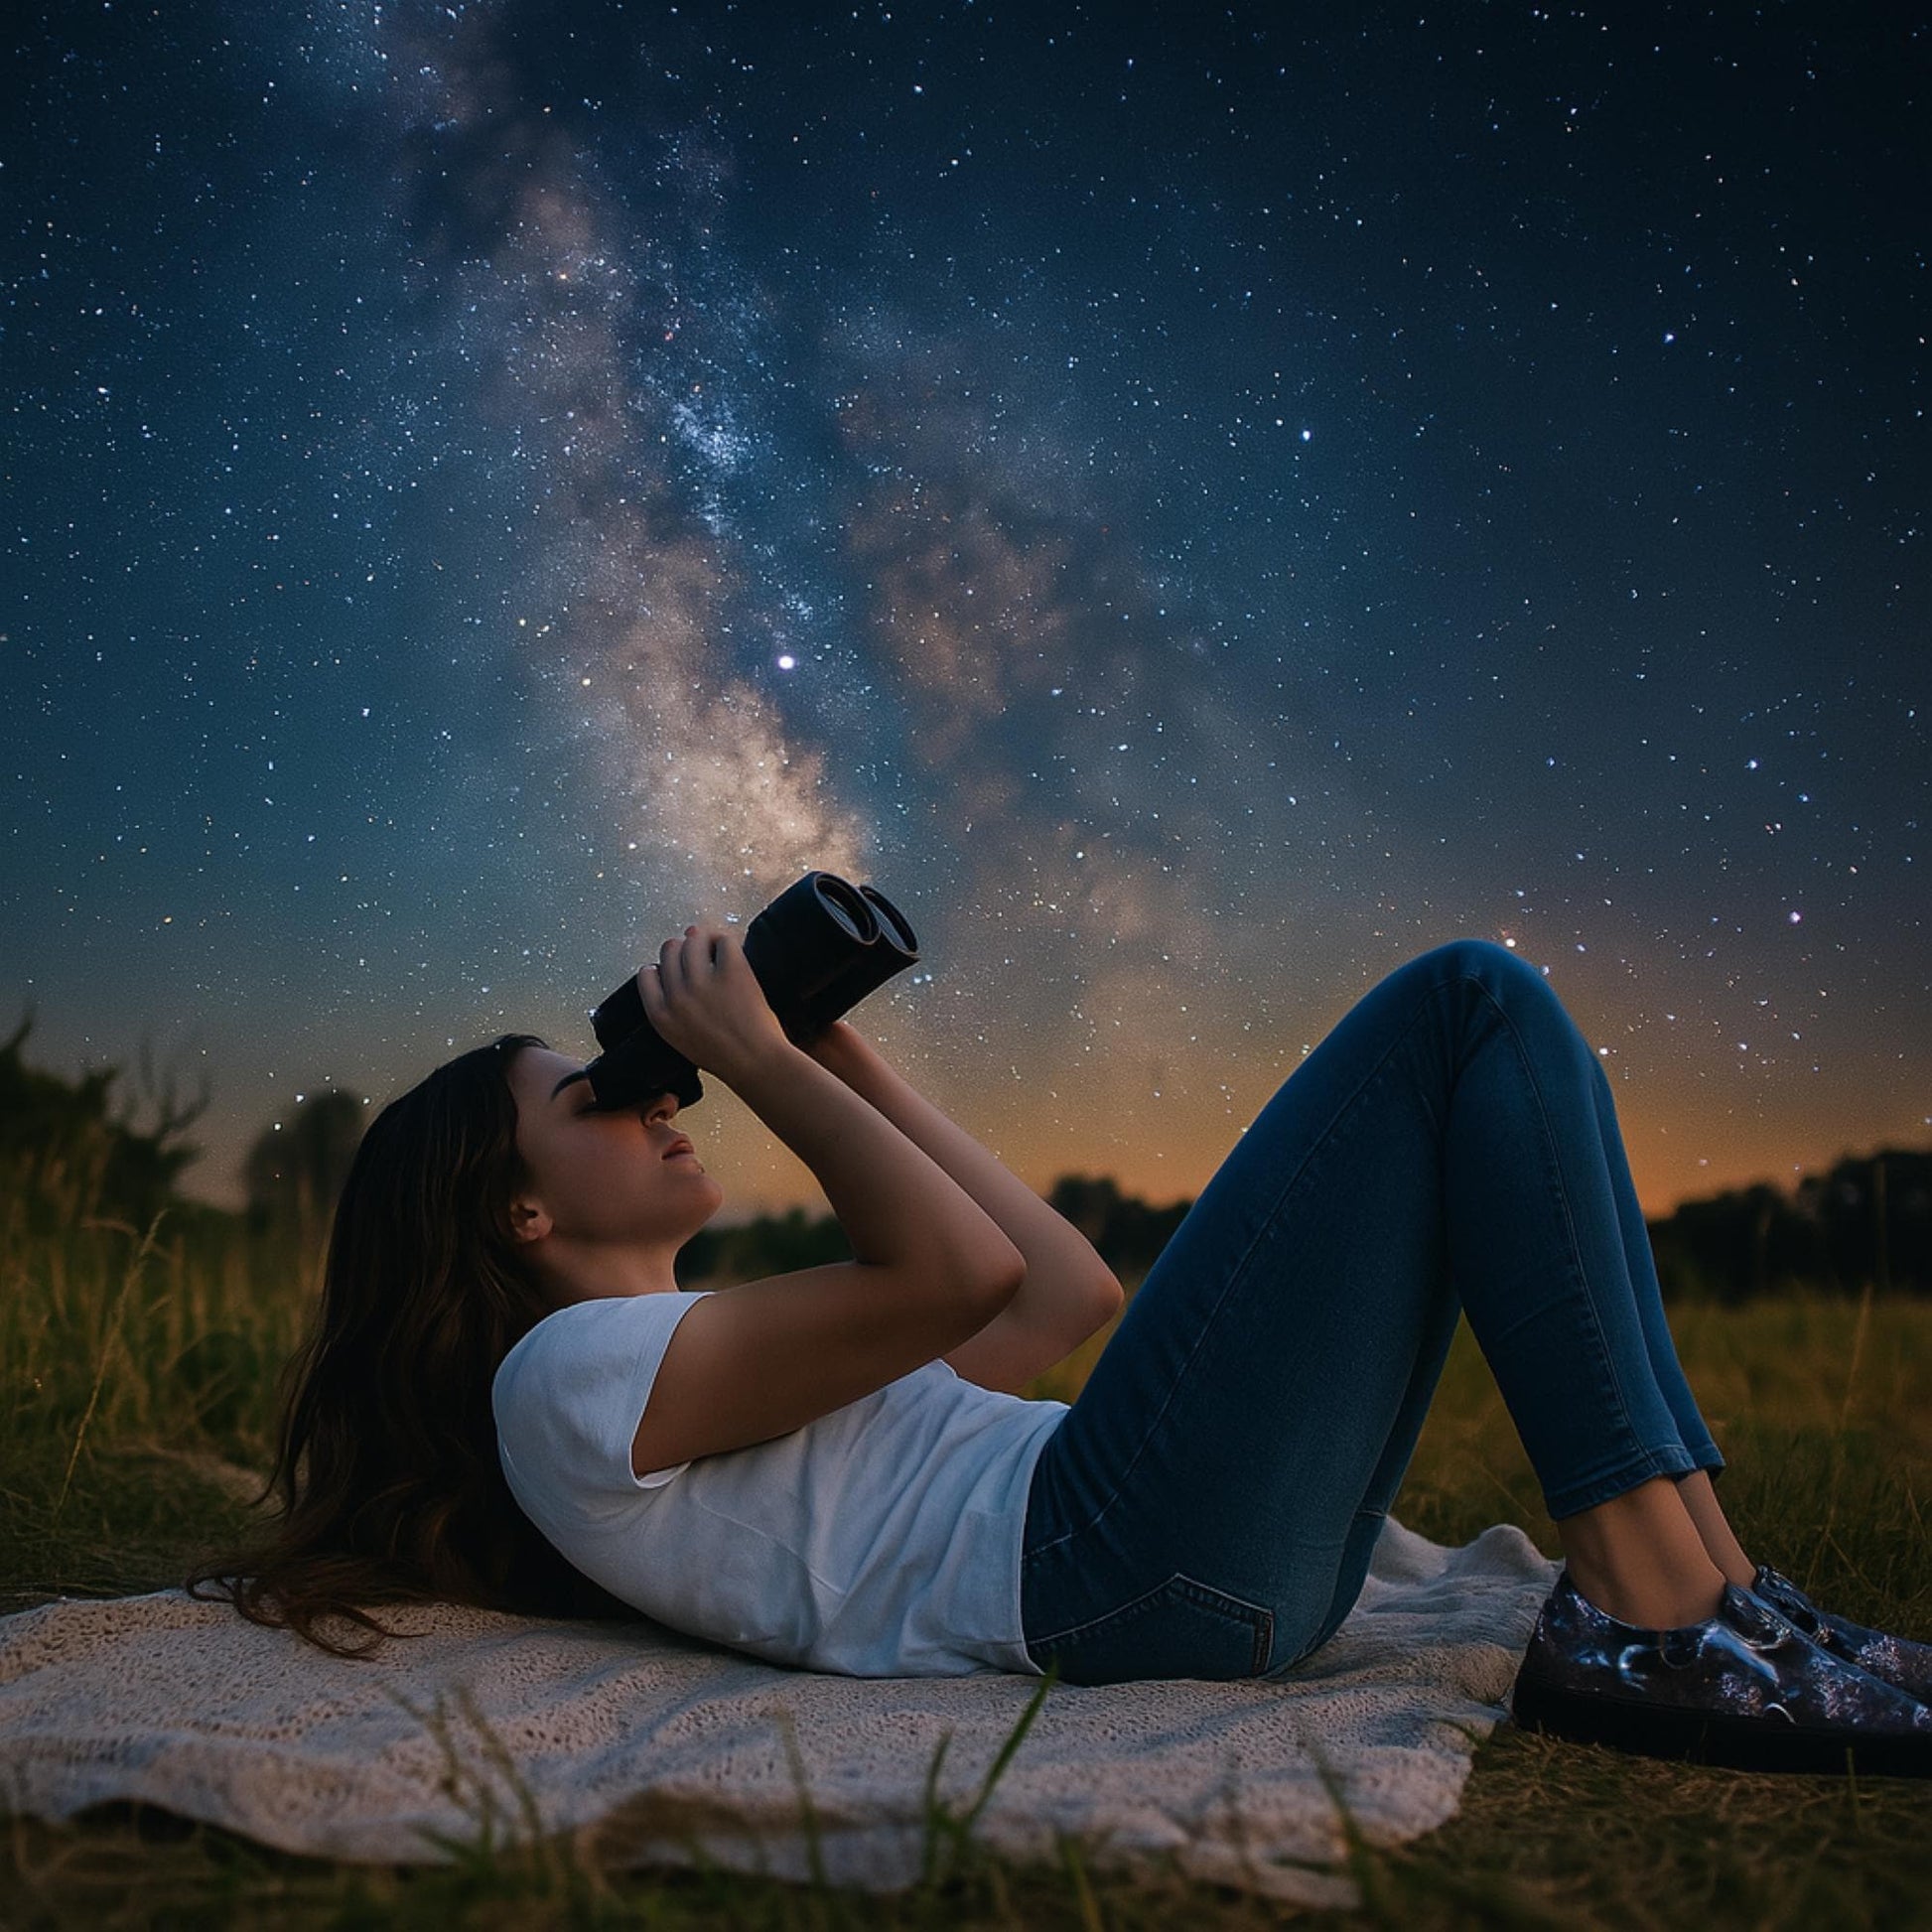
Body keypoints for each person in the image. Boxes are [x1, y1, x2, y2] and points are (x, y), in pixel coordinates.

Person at [191, 927, 1932, 1778]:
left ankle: (1710, 1591)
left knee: (1495, 1044)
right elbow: (951, 1272)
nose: (657, 1097)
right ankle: (1644, 1617)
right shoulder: (562, 1380)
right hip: (1115, 1556)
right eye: (596, 1093)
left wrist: (838, 1055)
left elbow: (1056, 1289)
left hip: (1154, 1555)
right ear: (513, 1211)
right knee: (1462, 1006)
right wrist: (768, 1068)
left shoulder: (692, 1359)